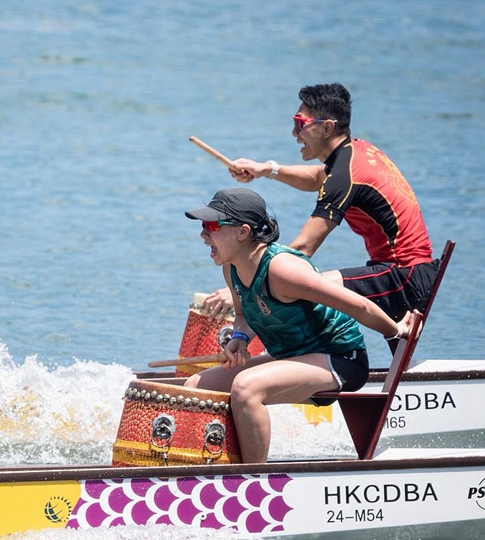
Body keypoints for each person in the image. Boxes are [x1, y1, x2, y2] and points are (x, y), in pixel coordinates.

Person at [183, 188, 415, 463]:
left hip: (340, 359)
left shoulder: (283, 270)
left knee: (246, 388)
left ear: (243, 232)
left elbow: (357, 305)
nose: (203, 235)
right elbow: (244, 315)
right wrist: (240, 338)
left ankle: (252, 480)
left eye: (211, 226)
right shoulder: (231, 267)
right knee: (195, 385)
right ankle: (210, 464)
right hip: (293, 357)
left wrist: (396, 331)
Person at [201, 83, 437, 324]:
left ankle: (318, 358)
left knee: (293, 284)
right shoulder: (358, 153)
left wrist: (241, 291)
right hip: (408, 272)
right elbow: (317, 178)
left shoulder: (345, 177)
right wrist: (266, 169)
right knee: (293, 283)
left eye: (300, 124)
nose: (294, 133)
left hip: (403, 276)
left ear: (326, 127)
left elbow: (303, 248)